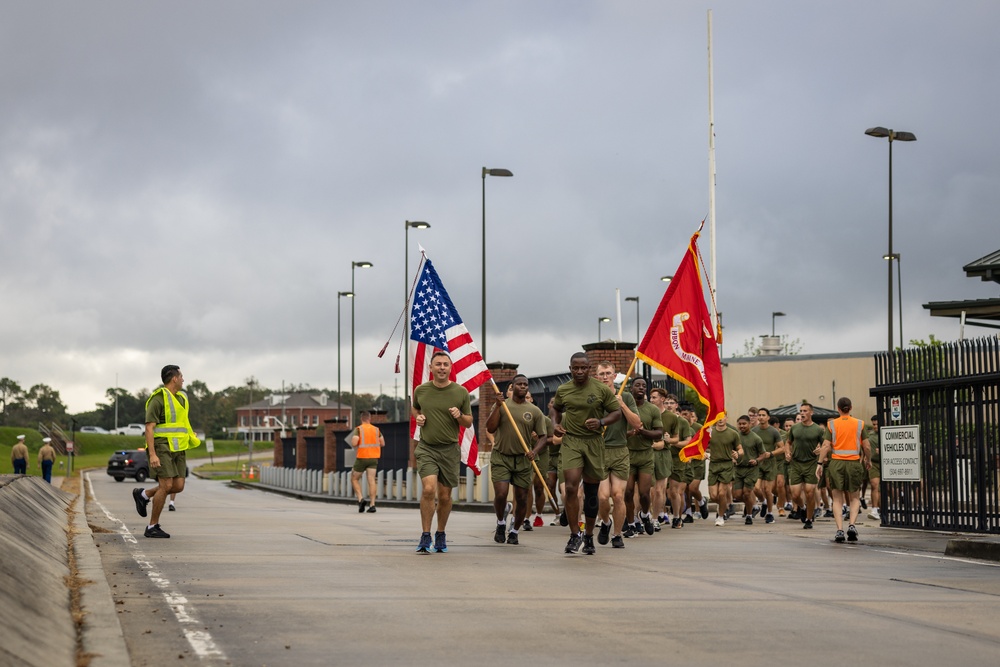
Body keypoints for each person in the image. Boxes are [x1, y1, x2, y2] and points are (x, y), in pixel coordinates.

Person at [551, 352, 621, 555]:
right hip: (572, 440)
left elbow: (616, 413)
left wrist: (601, 422)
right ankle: (575, 535)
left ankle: (589, 536)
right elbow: (555, 409)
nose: (579, 371)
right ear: (570, 368)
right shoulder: (564, 389)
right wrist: (556, 424)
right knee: (571, 488)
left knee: (592, 494)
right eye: (576, 368)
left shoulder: (600, 389)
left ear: (589, 369)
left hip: (593, 442)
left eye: (583, 368)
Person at [411, 351, 473, 554]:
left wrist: (459, 416)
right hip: (427, 447)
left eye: (445, 364)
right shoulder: (421, 390)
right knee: (429, 489)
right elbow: (415, 409)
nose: (442, 368)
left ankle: (440, 532)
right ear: (431, 368)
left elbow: (469, 421)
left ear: (450, 367)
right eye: (438, 364)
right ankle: (425, 534)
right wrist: (419, 418)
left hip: (449, 450)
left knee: (445, 496)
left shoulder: (460, 392)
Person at [131, 365, 201, 538]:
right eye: (181, 376)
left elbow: (181, 423)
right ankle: (152, 526)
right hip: (162, 447)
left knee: (178, 486)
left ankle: (144, 494)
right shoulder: (158, 399)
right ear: (174, 379)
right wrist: (153, 454)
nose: (183, 379)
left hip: (179, 448)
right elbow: (149, 428)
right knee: (166, 485)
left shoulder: (182, 399)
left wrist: (190, 434)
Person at [486, 375, 548, 545]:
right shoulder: (502, 405)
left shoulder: (534, 411)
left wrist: (534, 451)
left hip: (522, 460)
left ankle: (514, 531)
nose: (523, 386)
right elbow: (490, 427)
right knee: (501, 493)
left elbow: (543, 437)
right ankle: (500, 522)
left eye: (525, 385)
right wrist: (498, 407)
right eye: (519, 384)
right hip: (502, 456)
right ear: (512, 387)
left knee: (521, 498)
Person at [594, 362, 642, 544]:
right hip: (599, 451)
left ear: (615, 376)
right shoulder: (594, 397)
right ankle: (605, 522)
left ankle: (617, 534)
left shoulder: (626, 396)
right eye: (601, 374)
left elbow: (637, 424)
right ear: (597, 377)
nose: (605, 376)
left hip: (620, 450)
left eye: (608, 373)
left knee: (618, 495)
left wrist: (622, 405)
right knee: (603, 496)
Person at [817, 397, 871, 543]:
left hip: (836, 463)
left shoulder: (832, 424)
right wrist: (868, 459)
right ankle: (852, 525)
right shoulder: (860, 424)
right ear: (851, 408)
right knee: (854, 497)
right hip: (853, 463)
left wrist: (819, 463)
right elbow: (866, 446)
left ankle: (839, 530)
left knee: (837, 498)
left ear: (838, 409)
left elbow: (826, 446)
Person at [622, 378, 663, 546]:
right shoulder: (624, 408)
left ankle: (645, 515)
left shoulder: (652, 409)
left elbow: (659, 433)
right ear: (631, 388)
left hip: (646, 455)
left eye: (644, 386)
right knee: (628, 492)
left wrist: (643, 431)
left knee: (645, 494)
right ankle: (631, 524)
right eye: (637, 385)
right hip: (628, 455)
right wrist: (630, 433)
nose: (641, 388)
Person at [786, 402, 825, 530]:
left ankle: (808, 519)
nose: (802, 413)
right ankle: (802, 508)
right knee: (795, 494)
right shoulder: (795, 428)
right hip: (796, 463)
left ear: (811, 413)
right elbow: (788, 442)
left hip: (811, 463)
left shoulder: (818, 430)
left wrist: (820, 450)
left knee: (809, 492)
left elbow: (825, 445)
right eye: (801, 411)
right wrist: (787, 452)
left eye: (805, 411)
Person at [707, 416, 743, 526]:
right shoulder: (710, 432)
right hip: (714, 465)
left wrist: (737, 453)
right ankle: (724, 505)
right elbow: (702, 446)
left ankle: (721, 517)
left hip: (727, 464)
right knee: (713, 496)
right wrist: (704, 453)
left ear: (726, 418)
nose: (720, 419)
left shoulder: (733, 433)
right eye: (718, 417)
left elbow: (740, 449)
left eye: (722, 417)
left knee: (722, 493)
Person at [752, 408, 785, 523]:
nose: (760, 417)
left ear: (768, 417)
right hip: (758, 463)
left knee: (767, 490)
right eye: (759, 415)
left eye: (763, 415)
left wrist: (770, 453)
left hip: (770, 463)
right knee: (756, 488)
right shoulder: (754, 430)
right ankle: (764, 502)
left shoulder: (773, 431)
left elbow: (782, 448)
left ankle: (770, 513)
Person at [351, 411, 385, 513]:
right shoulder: (376, 430)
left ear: (361, 419)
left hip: (362, 457)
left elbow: (354, 442)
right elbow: (382, 443)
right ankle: (372, 505)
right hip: (373, 458)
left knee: (354, 478)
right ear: (370, 419)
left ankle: (361, 499)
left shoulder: (359, 429)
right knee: (371, 480)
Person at [733, 416, 765, 525]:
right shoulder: (735, 436)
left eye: (744, 424)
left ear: (749, 424)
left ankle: (749, 515)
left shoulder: (756, 438)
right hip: (738, 468)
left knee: (747, 493)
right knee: (737, 495)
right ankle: (753, 505)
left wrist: (757, 460)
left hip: (751, 469)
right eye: (740, 424)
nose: (742, 426)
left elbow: (763, 454)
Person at [867, 415, 883, 521]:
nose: (875, 426)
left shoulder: (886, 434)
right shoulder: (870, 435)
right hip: (873, 463)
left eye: (877, 424)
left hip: (885, 463)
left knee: (886, 489)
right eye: (874, 424)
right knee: (874, 485)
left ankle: (884, 508)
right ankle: (874, 509)